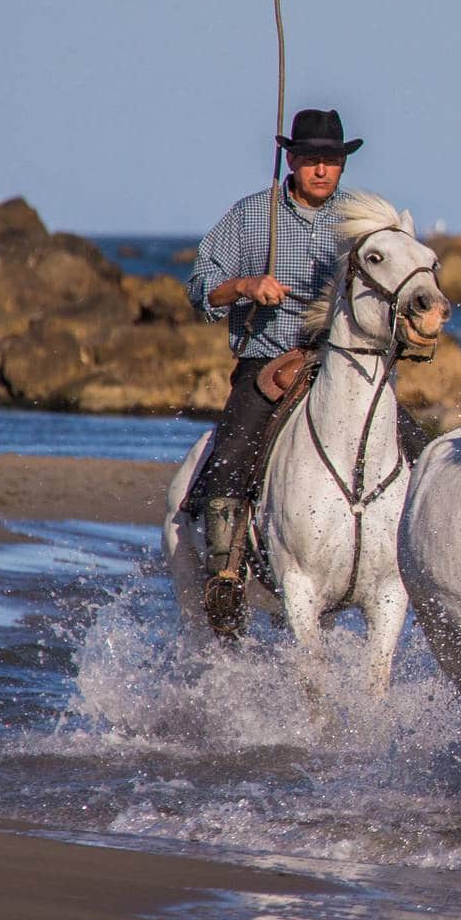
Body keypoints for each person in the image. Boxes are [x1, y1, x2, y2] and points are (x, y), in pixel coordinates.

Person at [185, 108, 424, 629]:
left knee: (420, 451)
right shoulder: (253, 217)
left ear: (342, 166)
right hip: (269, 362)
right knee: (232, 452)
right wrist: (247, 286)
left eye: (331, 161)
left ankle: (426, 566)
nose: (321, 170)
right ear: (291, 160)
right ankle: (225, 574)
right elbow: (200, 288)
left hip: (346, 364)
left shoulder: (361, 225)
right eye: (311, 159)